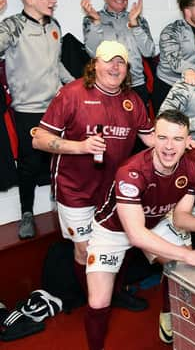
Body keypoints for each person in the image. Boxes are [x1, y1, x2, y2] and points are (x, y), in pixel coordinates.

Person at [85, 110, 195, 349]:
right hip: (113, 231)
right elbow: (135, 234)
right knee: (98, 301)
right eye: (163, 138)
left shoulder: (193, 168)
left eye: (177, 139)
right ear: (153, 137)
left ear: (188, 142)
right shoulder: (131, 172)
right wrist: (188, 253)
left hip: (154, 222)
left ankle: (172, 320)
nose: (169, 147)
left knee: (183, 271)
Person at [33, 40, 154, 308]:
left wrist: (182, 139)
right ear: (95, 64)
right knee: (85, 250)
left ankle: (116, 292)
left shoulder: (132, 100)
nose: (115, 66)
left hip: (111, 190)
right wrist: (81, 146)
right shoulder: (72, 93)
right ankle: (93, 300)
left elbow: (150, 139)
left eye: (121, 62)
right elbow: (39, 139)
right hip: (74, 189)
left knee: (118, 246)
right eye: (109, 60)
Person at [0, 0, 74, 239]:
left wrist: (76, 86)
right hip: (27, 109)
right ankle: (27, 213)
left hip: (57, 106)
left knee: (65, 157)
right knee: (30, 164)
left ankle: (63, 206)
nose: (53, 0)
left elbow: (57, 65)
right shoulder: (12, 25)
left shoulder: (54, 25)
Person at [81, 0, 156, 104]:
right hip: (106, 87)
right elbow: (92, 53)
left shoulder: (138, 19)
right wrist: (97, 22)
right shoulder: (92, 19)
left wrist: (134, 24)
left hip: (136, 86)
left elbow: (149, 52)